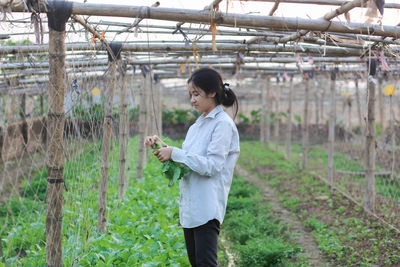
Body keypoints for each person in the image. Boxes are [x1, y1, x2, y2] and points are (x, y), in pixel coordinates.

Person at [144, 67, 240, 267]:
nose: (192, 100)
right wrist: (162, 147)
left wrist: (175, 152)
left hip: (207, 207)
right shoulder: (197, 125)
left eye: (196, 94)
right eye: (190, 95)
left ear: (212, 92)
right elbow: (188, 161)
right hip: (191, 207)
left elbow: (212, 166)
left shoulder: (222, 124)